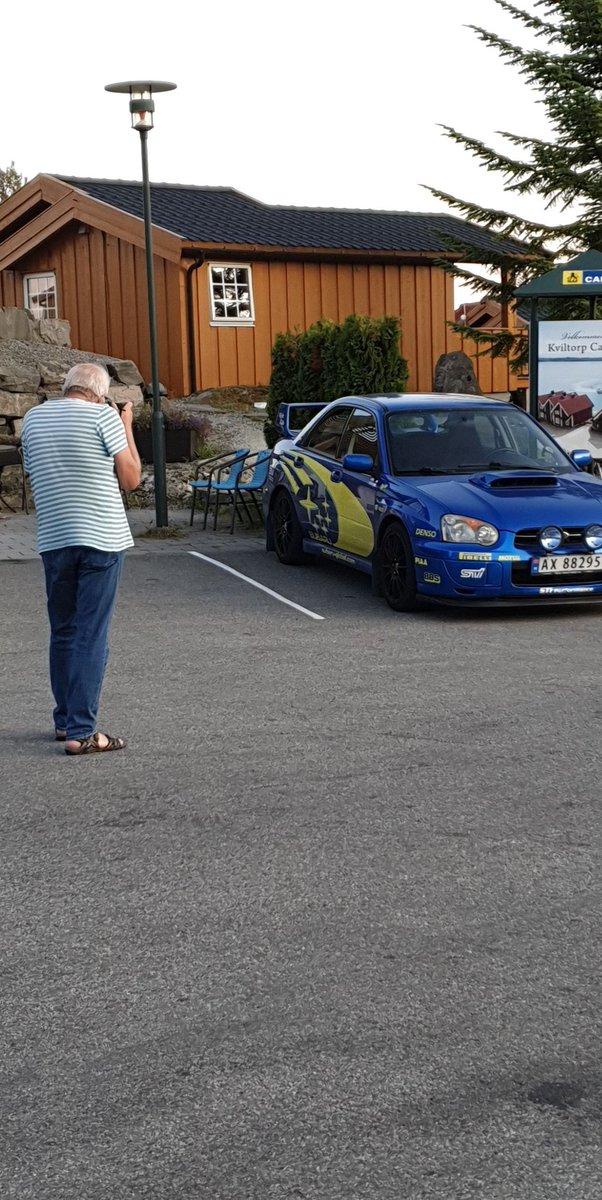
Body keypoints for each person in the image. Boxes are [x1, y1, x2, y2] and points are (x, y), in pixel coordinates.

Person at [21, 362, 142, 756]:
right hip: (101, 538)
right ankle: (83, 731)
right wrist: (124, 423)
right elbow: (131, 478)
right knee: (92, 633)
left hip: (54, 537)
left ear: (67, 387)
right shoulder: (103, 417)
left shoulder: (33, 419)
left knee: (64, 630)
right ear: (100, 393)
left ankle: (64, 721)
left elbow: (32, 470)